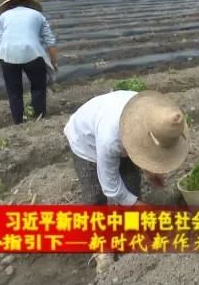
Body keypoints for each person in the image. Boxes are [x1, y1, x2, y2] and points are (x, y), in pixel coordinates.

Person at [64, 90, 190, 273]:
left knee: (131, 186)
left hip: (122, 134)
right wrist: (137, 205)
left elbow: (150, 146)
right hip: (86, 142)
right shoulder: (110, 139)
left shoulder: (153, 115)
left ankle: (131, 236)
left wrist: (150, 168)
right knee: (95, 198)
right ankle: (103, 248)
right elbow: (111, 187)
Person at [0, 0, 59, 124]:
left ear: (10, 6)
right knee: (38, 87)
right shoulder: (37, 15)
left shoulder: (3, 17)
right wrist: (54, 62)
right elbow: (50, 41)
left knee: (14, 91)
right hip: (32, 52)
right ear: (28, 4)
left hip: (7, 54)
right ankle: (39, 118)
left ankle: (18, 121)